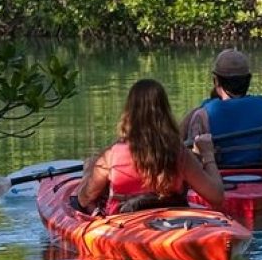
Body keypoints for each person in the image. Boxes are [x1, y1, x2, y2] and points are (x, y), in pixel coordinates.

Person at [76, 78, 224, 215]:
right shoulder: (179, 153)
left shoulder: (111, 155)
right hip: (172, 226)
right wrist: (207, 155)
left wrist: (89, 171)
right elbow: (216, 197)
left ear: (129, 113)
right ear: (165, 112)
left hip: (123, 226)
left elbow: (83, 199)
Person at [182, 49, 262, 169]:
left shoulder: (202, 116)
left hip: (220, 184)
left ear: (216, 81)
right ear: (249, 79)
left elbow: (192, 163)